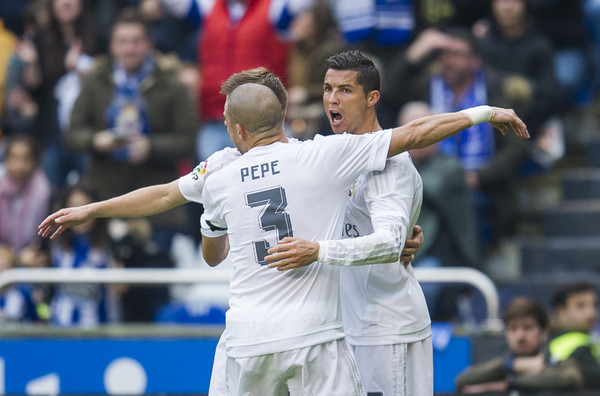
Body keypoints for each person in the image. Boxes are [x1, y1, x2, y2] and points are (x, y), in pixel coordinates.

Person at [39, 68, 528, 392]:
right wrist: (483, 113)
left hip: (248, 339)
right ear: (284, 115)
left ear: (234, 128)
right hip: (318, 337)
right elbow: (414, 134)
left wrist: (92, 209)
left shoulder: (220, 173)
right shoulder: (322, 155)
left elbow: (163, 196)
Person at [263, 51, 431, 395]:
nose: (332, 100)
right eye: (327, 89)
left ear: (372, 98)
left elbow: (387, 243)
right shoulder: (330, 153)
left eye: (345, 90)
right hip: (343, 327)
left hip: (386, 330)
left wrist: (318, 251)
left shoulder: (390, 165)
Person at [65, 8, 197, 253]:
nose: (129, 49)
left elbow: (188, 139)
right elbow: (72, 132)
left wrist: (151, 147)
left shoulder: (173, 85)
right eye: (122, 42)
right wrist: (96, 141)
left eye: (136, 42)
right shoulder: (96, 81)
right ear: (112, 46)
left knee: (154, 286)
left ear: (149, 44)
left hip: (159, 207)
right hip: (104, 202)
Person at [455, 296, 585, 393]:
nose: (520, 336)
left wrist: (510, 383)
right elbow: (461, 381)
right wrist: (512, 365)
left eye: (527, 328)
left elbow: (572, 379)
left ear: (544, 332)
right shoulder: (502, 366)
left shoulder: (557, 363)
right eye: (513, 329)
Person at [48, 184, 121, 327]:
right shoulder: (52, 242)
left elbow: (119, 288)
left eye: (85, 206)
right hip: (60, 327)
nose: (79, 213)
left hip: (101, 328)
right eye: (73, 206)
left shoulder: (111, 244)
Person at [0, 133, 51, 269]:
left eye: (26, 159)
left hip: (34, 262)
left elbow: (46, 247)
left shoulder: (46, 194)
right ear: (5, 160)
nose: (19, 166)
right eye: (14, 158)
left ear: (35, 162)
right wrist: (15, 258)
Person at [549, 280, 600, 388]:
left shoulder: (588, 337)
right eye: (580, 306)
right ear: (560, 311)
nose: (591, 313)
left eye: (594, 305)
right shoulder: (574, 345)